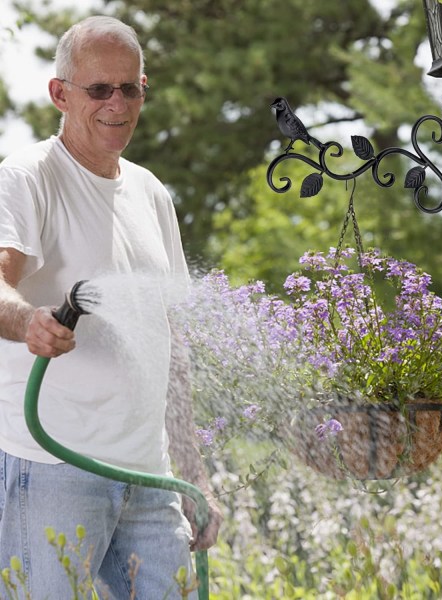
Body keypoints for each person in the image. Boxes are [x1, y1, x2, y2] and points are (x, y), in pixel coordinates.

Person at [0, 15, 222, 598]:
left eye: (131, 88)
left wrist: (189, 476)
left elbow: (170, 344)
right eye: (99, 89)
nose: (117, 103)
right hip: (54, 467)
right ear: (60, 94)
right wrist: (30, 322)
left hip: (149, 477)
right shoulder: (29, 178)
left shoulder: (151, 193)